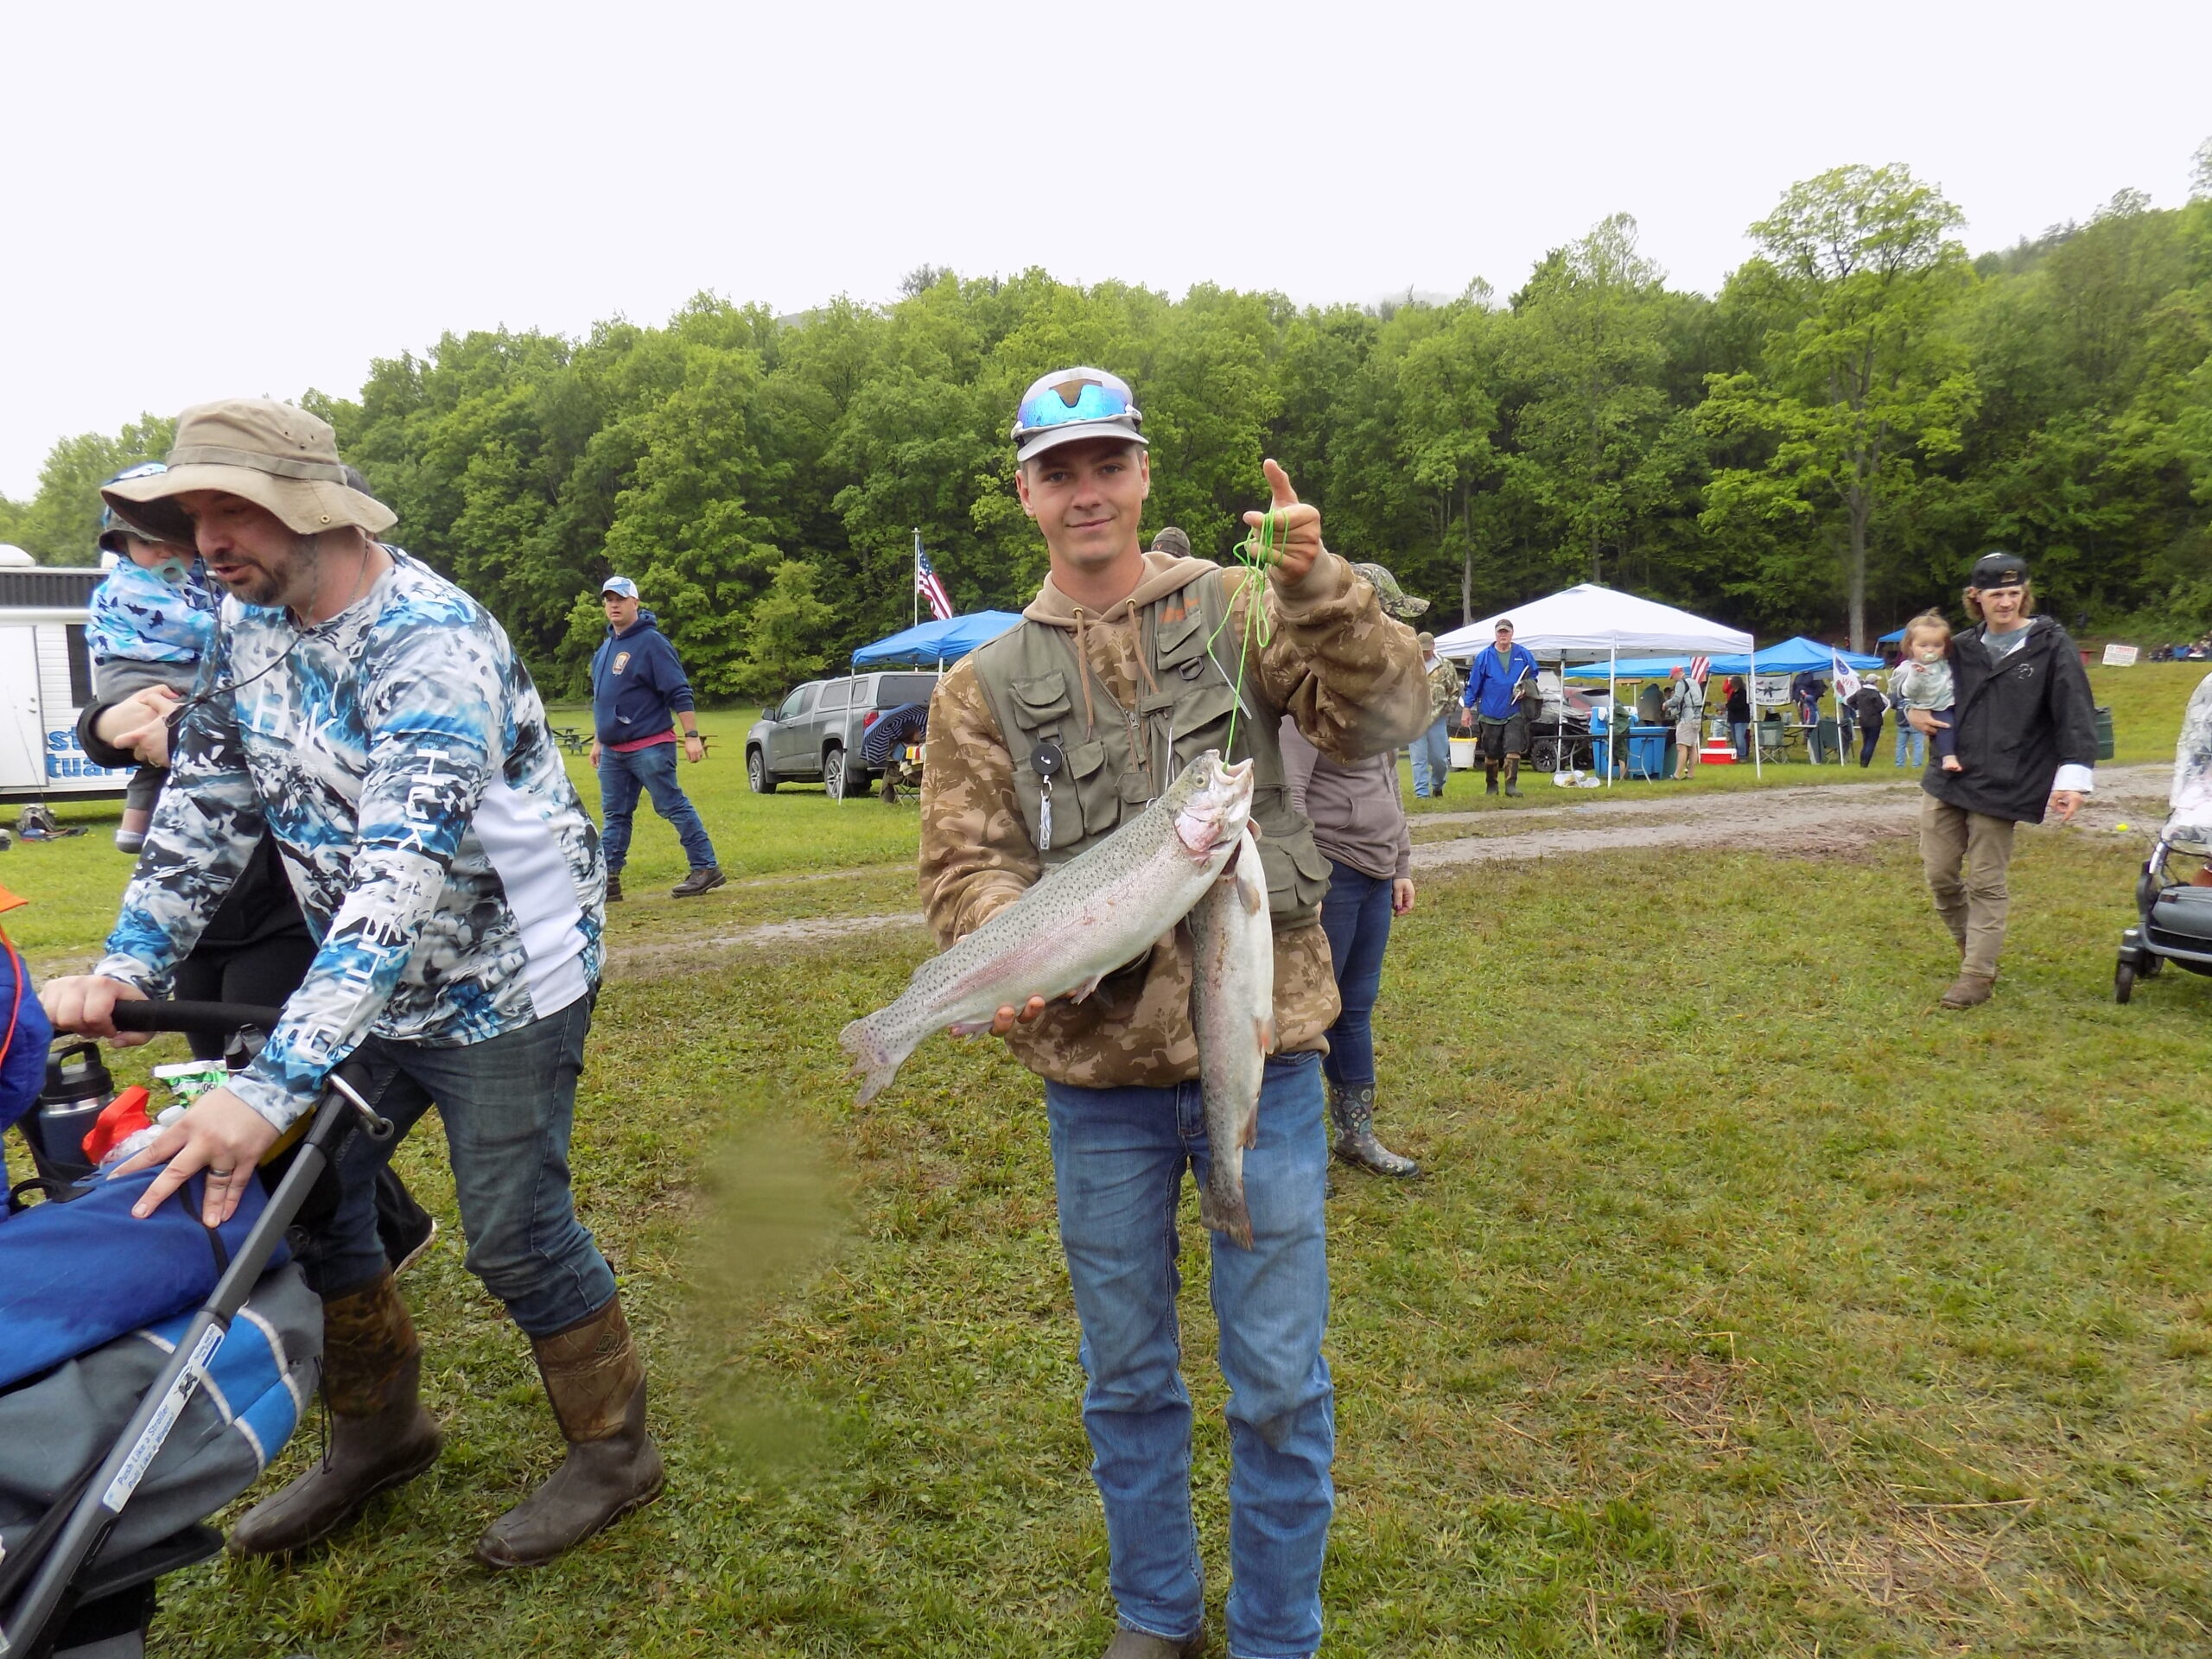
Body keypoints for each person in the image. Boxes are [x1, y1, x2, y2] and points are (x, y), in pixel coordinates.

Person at [40, 397, 659, 1569]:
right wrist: (130, 962)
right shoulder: (242, 622)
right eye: (190, 514)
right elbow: (208, 807)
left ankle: (618, 1452)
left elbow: (398, 879)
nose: (207, 538)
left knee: (516, 1233)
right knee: (317, 1195)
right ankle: (382, 1434)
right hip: (361, 979)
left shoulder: (430, 644)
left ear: (311, 508)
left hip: (500, 978)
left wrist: (272, 1080)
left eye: (233, 509)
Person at [919, 365, 1428, 1659]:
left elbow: (1387, 716)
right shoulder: (979, 683)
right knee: (1129, 1381)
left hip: (1268, 1059)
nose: (1087, 491)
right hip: (1096, 1093)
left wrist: (1323, 592)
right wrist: (1021, 952)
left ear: (1143, 475)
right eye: (1059, 470)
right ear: (1025, 491)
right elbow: (964, 868)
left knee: (1275, 1383)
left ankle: (1273, 1636)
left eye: (1109, 463)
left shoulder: (1239, 609)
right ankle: (1155, 1615)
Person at [75, 680, 439, 1272]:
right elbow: (102, 732)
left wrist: (200, 737)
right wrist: (116, 722)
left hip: (279, 915)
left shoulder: (281, 636)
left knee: (278, 1101)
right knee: (222, 1093)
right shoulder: (175, 636)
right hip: (196, 924)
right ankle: (357, 1232)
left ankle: (379, 1236)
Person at [1281, 566, 1424, 1180]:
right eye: (1386, 617)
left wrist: (1401, 865)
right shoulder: (1308, 698)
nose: (1395, 630)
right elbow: (1289, 795)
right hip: (1331, 874)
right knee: (1311, 1013)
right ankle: (1295, 1149)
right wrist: (1305, 883)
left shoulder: (1377, 697)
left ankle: (1355, 1135)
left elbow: (1390, 784)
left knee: (1356, 1008)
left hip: (1374, 874)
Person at [1908, 551, 2096, 1008]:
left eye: (2014, 593)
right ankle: (1972, 949)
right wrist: (1912, 710)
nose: (2007, 602)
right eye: (1997, 594)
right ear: (1977, 597)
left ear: (2024, 594)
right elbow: (1923, 683)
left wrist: (2073, 780)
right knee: (1940, 876)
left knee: (1987, 882)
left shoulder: (2049, 643)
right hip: (1950, 775)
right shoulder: (1964, 647)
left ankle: (1976, 974)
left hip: (2009, 778)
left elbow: (2074, 710)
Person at [83, 462, 219, 853]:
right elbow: (193, 628)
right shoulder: (132, 586)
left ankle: (135, 828)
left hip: (167, 668)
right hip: (136, 670)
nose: (164, 553)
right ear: (123, 546)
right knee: (190, 717)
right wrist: (242, 629)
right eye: (147, 543)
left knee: (159, 753)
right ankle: (141, 823)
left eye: (177, 543)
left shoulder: (190, 582)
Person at [589, 575, 722, 899]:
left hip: (649, 744)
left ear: (636, 602)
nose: (614, 605)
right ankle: (609, 880)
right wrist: (598, 740)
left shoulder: (652, 642)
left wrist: (691, 735)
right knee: (615, 815)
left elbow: (679, 690)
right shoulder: (606, 648)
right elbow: (603, 698)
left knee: (671, 804)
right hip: (613, 751)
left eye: (620, 599)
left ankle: (706, 868)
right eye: (609, 600)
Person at [1462, 618, 1540, 797]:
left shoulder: (1523, 654)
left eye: (1506, 632)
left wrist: (1525, 689)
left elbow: (1533, 675)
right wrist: (1467, 708)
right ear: (1495, 634)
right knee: (1491, 751)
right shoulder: (1484, 656)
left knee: (1513, 747)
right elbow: (1474, 685)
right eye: (1500, 632)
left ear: (1512, 633)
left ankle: (1511, 786)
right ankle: (1492, 785)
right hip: (1490, 712)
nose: (1503, 635)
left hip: (1515, 711)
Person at [1892, 613, 1960, 773]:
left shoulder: (1944, 664)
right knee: (1946, 726)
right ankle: (1948, 756)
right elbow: (1908, 692)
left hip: (1949, 701)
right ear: (1911, 646)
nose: (1930, 649)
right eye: (1923, 645)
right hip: (1932, 706)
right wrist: (1917, 675)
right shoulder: (1909, 668)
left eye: (1937, 645)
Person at [1409, 630, 1459, 798]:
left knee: (1439, 759)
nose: (1425, 653)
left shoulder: (1445, 666)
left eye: (1427, 650)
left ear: (1433, 647)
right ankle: (1421, 794)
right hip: (1415, 719)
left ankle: (1438, 785)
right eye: (1421, 650)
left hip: (1438, 718)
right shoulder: (1409, 665)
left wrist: (1448, 709)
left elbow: (1454, 690)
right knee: (1418, 759)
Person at [1664, 662, 1708, 779]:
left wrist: (1666, 704)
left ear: (1677, 674)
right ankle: (1691, 774)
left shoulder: (1681, 683)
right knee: (1692, 746)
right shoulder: (1694, 682)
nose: (1673, 680)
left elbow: (1677, 699)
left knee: (1681, 746)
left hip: (1687, 718)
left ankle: (1677, 775)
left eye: (1673, 677)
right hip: (1697, 717)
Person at [1848, 679, 1887, 767]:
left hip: (1863, 720)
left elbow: (1849, 701)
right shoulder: (1875, 693)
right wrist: (1874, 710)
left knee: (1865, 742)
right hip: (1875, 721)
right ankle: (1865, 763)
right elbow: (1881, 706)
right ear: (1874, 682)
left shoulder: (1859, 692)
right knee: (1871, 742)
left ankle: (1862, 762)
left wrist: (1858, 708)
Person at [1724, 674, 1751, 761]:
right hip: (1733, 719)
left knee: (1740, 738)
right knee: (1735, 738)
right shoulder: (1733, 693)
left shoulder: (1743, 693)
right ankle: (1738, 755)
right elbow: (1730, 703)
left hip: (1741, 719)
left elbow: (1740, 705)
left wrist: (1729, 706)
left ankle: (1743, 756)